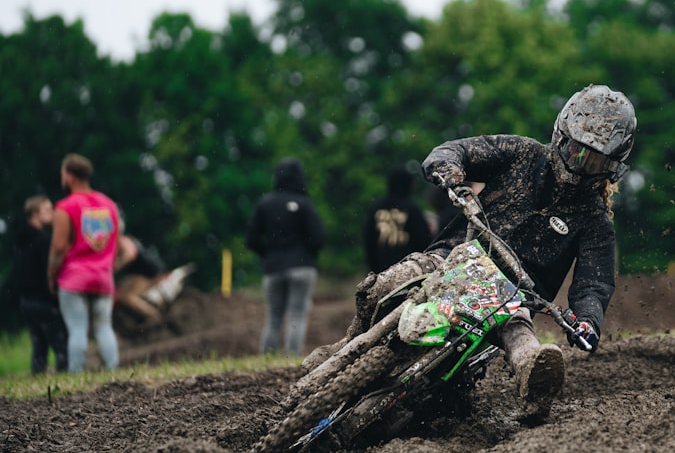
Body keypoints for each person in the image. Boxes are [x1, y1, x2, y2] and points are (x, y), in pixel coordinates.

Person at [326, 84, 636, 420]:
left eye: (595, 161)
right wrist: (448, 169)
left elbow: (595, 281)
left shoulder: (594, 219)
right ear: (561, 136)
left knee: (523, 343)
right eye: (577, 151)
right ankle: (344, 346)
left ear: (612, 165)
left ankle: (535, 385)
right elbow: (456, 150)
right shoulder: (522, 153)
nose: (581, 164)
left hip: (511, 299)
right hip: (451, 257)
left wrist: (588, 320)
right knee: (384, 285)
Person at [48, 153, 122, 373]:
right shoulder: (109, 205)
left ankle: (76, 376)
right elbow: (114, 243)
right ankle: (114, 372)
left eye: (63, 173)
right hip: (103, 277)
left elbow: (58, 247)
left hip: (74, 278)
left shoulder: (65, 207)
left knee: (77, 329)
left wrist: (52, 275)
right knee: (103, 327)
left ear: (70, 176)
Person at [246, 157, 327, 356]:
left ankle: (267, 359)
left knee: (273, 317)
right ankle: (292, 359)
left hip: (273, 267)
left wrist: (269, 253)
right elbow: (319, 237)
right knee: (296, 315)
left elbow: (251, 239)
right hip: (301, 266)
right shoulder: (304, 203)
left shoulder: (264, 204)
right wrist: (305, 254)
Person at [13, 195, 68, 374]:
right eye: (47, 210)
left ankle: (37, 379)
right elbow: (50, 270)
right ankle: (65, 381)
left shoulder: (20, 240)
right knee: (61, 345)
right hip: (44, 300)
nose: (53, 214)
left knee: (39, 346)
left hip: (26, 301)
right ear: (35, 214)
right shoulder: (43, 241)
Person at [363, 166, 433, 273]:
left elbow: (368, 240)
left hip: (380, 269)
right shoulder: (412, 208)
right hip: (408, 270)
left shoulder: (376, 207)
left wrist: (372, 268)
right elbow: (423, 240)